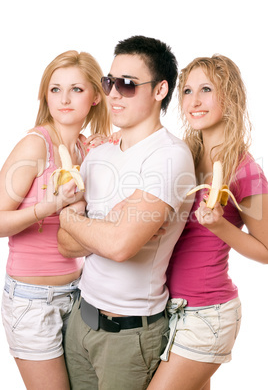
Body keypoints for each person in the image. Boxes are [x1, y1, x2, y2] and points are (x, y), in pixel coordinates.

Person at [57, 35, 196, 390]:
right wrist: (105, 227)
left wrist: (73, 218)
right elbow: (65, 245)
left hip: (128, 337)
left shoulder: (169, 156)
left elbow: (121, 246)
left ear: (161, 90)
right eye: (109, 82)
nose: (113, 94)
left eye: (128, 84)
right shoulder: (99, 153)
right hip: (80, 321)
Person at [147, 55, 268, 390]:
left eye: (206, 90)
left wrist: (221, 227)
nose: (194, 101)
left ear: (228, 98)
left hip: (207, 314)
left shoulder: (244, 170)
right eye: (186, 91)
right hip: (167, 307)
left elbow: (267, 250)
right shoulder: (181, 154)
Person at [0, 50, 111, 390]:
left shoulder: (85, 149)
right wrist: (47, 206)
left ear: (95, 96)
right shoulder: (36, 146)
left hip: (79, 294)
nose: (64, 99)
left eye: (76, 89)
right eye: (55, 89)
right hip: (33, 301)